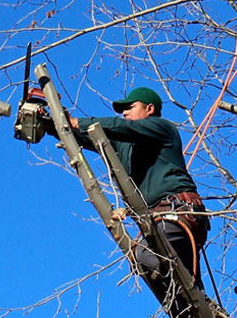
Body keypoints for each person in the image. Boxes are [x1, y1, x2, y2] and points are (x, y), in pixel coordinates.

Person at [49, 87, 208, 287]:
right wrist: (52, 123)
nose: (124, 113)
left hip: (179, 212)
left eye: (130, 107)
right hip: (160, 221)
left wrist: (76, 122)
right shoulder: (124, 144)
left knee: (143, 256)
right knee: (182, 296)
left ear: (149, 109)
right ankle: (202, 310)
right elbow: (85, 136)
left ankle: (192, 298)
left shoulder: (162, 128)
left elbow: (119, 127)